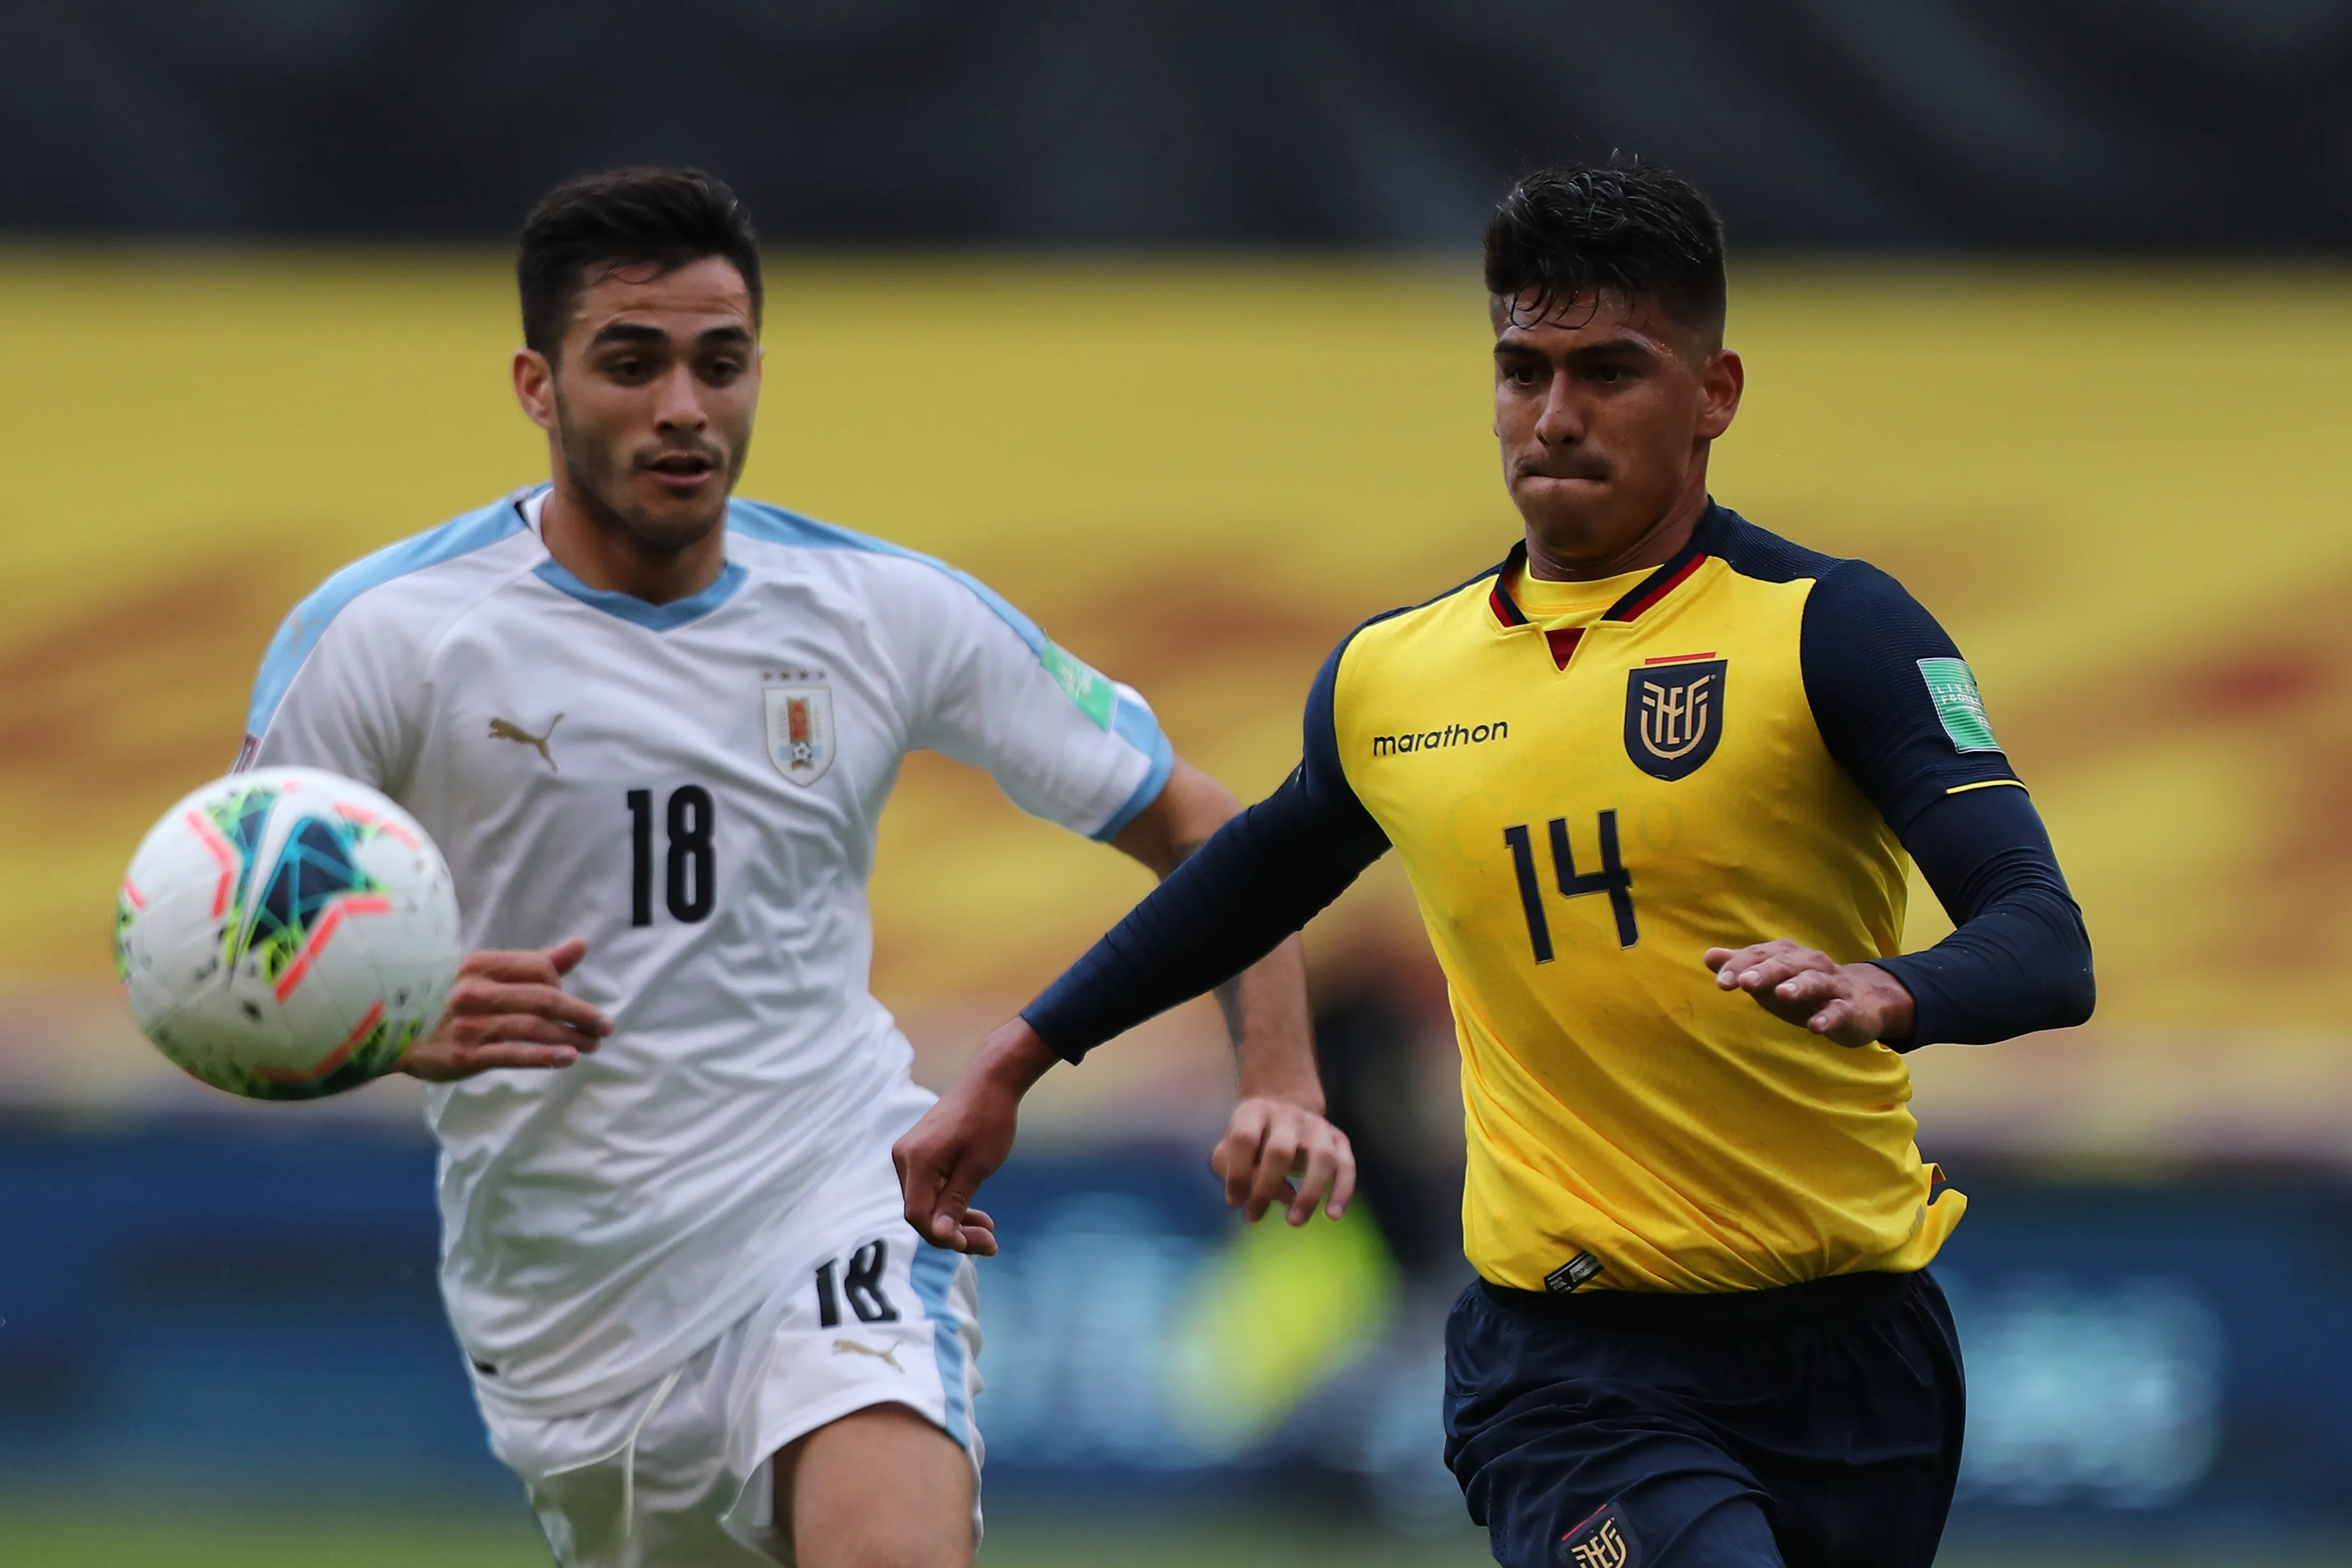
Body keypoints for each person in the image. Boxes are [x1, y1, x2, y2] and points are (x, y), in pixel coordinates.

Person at [895, 160, 2095, 1568]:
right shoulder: (1394, 677)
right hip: (1572, 1363)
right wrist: (1015, 1059)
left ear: (1715, 394)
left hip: (1859, 1348)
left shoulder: (1834, 629)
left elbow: (2045, 938)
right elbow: (1251, 874)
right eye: (1523, 369)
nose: (1556, 414)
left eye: (1610, 371)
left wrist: (1892, 989)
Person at [238, 166, 1350, 1568]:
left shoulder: (876, 611)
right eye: (631, 364)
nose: (685, 409)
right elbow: (225, 964)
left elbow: (1210, 828)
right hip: (563, 1306)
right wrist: (383, 1022)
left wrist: (1280, 1075)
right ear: (536, 383)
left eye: (722, 362)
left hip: (836, 1200)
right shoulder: (387, 635)